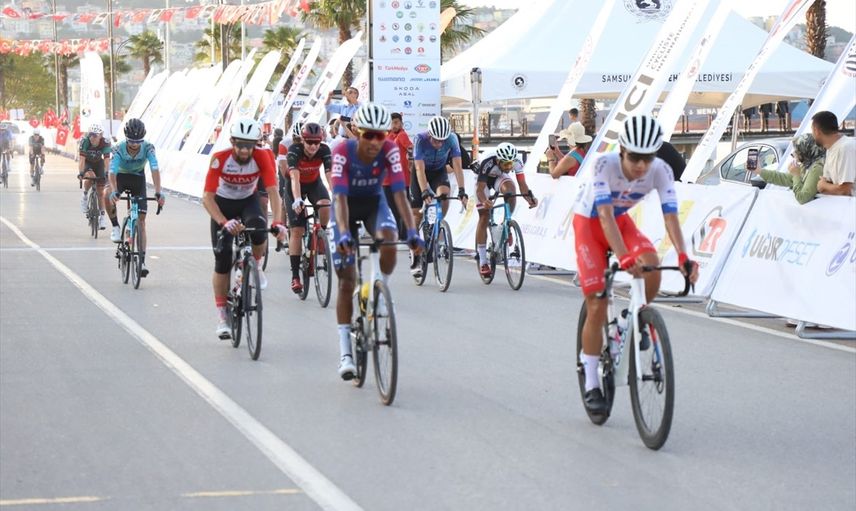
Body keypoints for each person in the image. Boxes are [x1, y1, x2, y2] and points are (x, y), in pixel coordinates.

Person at [573, 114, 698, 413]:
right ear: (621, 151)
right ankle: (591, 380)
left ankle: (628, 322)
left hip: (620, 221)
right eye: (634, 157)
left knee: (651, 264)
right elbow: (604, 216)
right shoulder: (604, 165)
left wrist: (683, 255)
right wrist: (624, 256)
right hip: (590, 224)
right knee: (597, 304)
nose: (641, 165)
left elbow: (671, 217)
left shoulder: (661, 170)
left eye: (648, 158)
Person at [329, 103, 422, 380]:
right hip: (345, 207)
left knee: (390, 239)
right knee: (346, 281)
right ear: (357, 132)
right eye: (368, 135)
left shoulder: (390, 150)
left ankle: (379, 288)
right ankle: (346, 353)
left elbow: (400, 194)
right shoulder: (342, 151)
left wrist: (412, 231)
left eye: (380, 135)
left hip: (373, 203)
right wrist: (344, 233)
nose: (374, 142)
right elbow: (339, 197)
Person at [202, 118, 287, 340]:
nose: (244, 150)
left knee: (259, 230)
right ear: (232, 142)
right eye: (240, 145)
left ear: (255, 144)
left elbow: (273, 192)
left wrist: (278, 222)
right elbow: (207, 198)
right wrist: (223, 222)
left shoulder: (262, 156)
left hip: (248, 202)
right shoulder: (220, 159)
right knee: (222, 259)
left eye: (249, 146)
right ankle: (222, 316)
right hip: (222, 205)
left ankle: (254, 265)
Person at [410, 115, 469, 277]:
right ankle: (415, 255)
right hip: (420, 172)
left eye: (442, 141)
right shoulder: (420, 139)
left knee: (444, 195)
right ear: (430, 135)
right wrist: (424, 190)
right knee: (416, 215)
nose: (439, 144)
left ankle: (436, 226)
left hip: (438, 171)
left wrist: (462, 190)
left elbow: (457, 166)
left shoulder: (452, 139)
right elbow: (419, 169)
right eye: (436, 140)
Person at [107, 119, 165, 277]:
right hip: (120, 177)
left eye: (138, 141)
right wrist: (114, 190)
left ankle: (142, 261)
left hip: (138, 179)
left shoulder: (148, 148)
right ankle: (117, 227)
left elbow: (154, 168)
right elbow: (112, 171)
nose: (134, 145)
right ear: (126, 139)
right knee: (107, 194)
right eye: (131, 141)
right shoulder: (118, 148)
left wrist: (158, 192)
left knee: (141, 221)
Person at [473, 142, 538, 277]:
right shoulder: (488, 162)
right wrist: (485, 201)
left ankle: (506, 225)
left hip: (498, 177)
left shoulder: (517, 161)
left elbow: (522, 185)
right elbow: (480, 189)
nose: (509, 167)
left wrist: (530, 198)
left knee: (511, 190)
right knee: (484, 216)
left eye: (510, 164)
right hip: (482, 180)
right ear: (498, 160)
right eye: (506, 164)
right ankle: (483, 261)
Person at [285, 122, 333, 294]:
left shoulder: (324, 150)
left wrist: (337, 195)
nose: (313, 146)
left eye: (316, 142)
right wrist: (297, 199)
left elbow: (329, 175)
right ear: (302, 140)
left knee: (326, 204)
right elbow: (294, 177)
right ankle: (295, 276)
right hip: (294, 186)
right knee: (297, 230)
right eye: (309, 142)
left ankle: (321, 236)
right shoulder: (294, 150)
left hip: (314, 184)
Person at [751, 133, 824, 205]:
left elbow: (802, 198)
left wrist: (796, 175)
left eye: (797, 151)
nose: (793, 154)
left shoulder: (816, 168)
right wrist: (759, 171)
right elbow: (783, 178)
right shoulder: (807, 165)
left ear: (806, 151)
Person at [811, 111, 855, 197]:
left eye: (812, 130)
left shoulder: (845, 148)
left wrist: (824, 185)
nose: (812, 134)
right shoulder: (830, 148)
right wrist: (825, 186)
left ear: (817, 131)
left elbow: (845, 190)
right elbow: (825, 187)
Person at [78, 124, 112, 230]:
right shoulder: (85, 141)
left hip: (98, 163)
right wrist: (81, 173)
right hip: (87, 163)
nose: (92, 137)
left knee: (101, 191)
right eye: (90, 135)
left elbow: (106, 160)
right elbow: (82, 159)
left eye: (95, 135)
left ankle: (102, 217)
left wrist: (107, 173)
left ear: (100, 135)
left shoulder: (105, 142)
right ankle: (84, 196)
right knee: (91, 176)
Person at [386, 112, 414, 239]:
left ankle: (403, 235)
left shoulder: (402, 135)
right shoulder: (388, 135)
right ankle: (400, 234)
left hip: (401, 180)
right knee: (393, 208)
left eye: (396, 122)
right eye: (392, 123)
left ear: (401, 123)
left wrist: (411, 161)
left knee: (400, 208)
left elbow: (411, 148)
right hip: (387, 180)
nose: (394, 125)